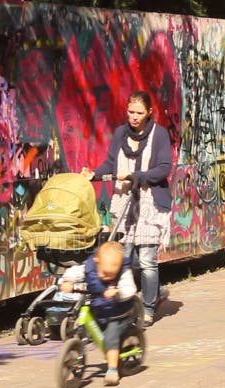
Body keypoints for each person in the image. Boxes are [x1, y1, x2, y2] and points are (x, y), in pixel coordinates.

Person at [82, 90, 172, 326]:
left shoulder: (159, 134)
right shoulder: (121, 133)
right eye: (131, 111)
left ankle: (149, 308)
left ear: (149, 112)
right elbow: (111, 162)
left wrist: (135, 175)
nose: (134, 117)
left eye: (139, 113)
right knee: (126, 259)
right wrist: (94, 173)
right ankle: (140, 299)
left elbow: (164, 168)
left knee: (147, 261)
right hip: (125, 201)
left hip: (150, 202)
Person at [59, 241, 137, 386]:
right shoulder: (89, 266)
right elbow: (74, 272)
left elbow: (130, 288)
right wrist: (67, 281)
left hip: (118, 313)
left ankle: (113, 370)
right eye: (105, 273)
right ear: (97, 262)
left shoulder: (124, 272)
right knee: (92, 327)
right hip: (99, 309)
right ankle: (81, 344)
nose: (108, 278)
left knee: (110, 339)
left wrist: (118, 292)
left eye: (112, 275)